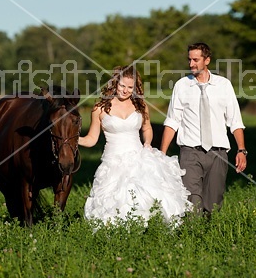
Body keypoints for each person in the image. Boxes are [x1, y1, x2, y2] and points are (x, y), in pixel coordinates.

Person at [79, 65, 191, 225]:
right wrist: (74, 139)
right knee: (115, 203)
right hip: (113, 162)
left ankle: (147, 230)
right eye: (122, 85)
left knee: (145, 196)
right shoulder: (99, 108)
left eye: (130, 87)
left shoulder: (140, 105)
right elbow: (91, 139)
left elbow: (147, 128)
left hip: (139, 157)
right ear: (115, 83)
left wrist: (147, 142)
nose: (125, 90)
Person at [160, 42, 247, 213]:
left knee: (213, 204)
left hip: (218, 153)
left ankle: (207, 237)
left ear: (207, 60)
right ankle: (190, 237)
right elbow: (172, 121)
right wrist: (162, 154)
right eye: (189, 60)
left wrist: (241, 150)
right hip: (190, 152)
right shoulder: (181, 86)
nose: (191, 64)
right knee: (192, 202)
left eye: (196, 60)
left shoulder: (224, 85)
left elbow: (235, 121)